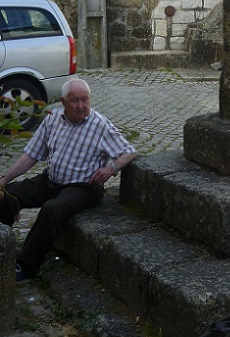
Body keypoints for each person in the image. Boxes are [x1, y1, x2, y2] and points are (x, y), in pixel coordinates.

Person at [0, 78, 137, 282]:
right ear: (63, 102)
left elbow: (129, 152)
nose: (81, 106)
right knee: (8, 194)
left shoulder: (100, 125)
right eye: (75, 101)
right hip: (51, 180)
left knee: (51, 209)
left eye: (85, 100)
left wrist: (111, 168)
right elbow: (31, 155)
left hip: (83, 188)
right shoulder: (53, 118)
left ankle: (25, 267)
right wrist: (4, 180)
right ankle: (4, 247)